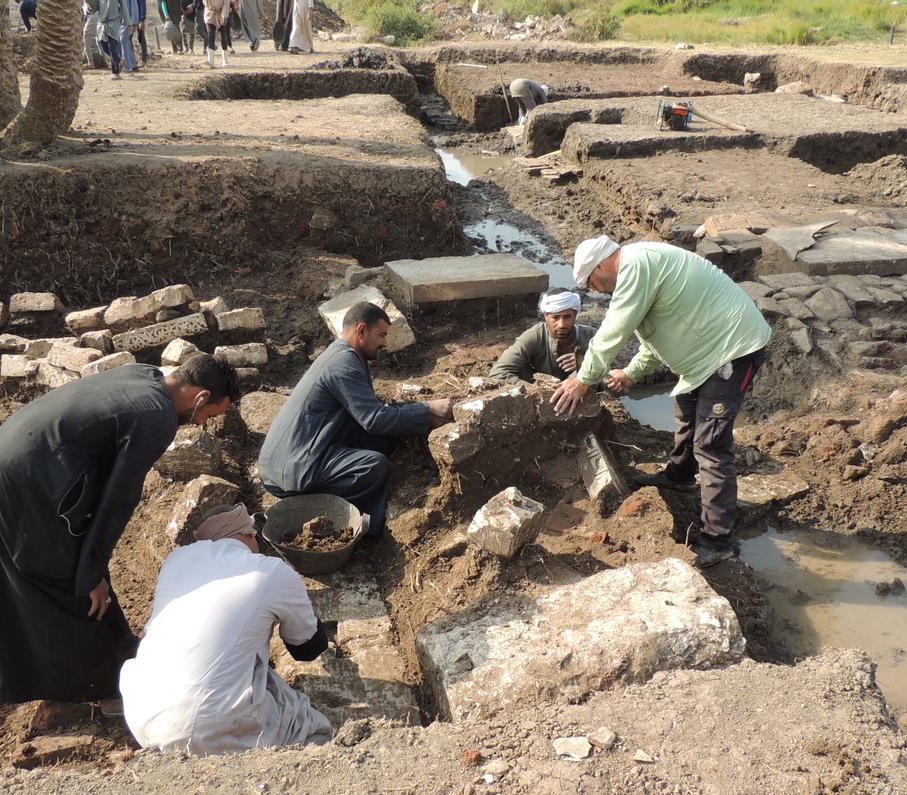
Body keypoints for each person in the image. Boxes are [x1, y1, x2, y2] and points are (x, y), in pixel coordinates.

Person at [0, 355, 240, 711]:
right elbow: (117, 501)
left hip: (5, 457)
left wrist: (94, 567)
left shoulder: (144, 376)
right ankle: (104, 688)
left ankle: (120, 646)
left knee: (76, 567)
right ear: (201, 396)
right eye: (209, 416)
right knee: (63, 578)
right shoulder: (157, 418)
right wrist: (90, 574)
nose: (201, 424)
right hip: (24, 483)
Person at [552, 236, 772, 568]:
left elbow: (614, 329)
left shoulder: (636, 265)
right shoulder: (643, 269)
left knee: (711, 445)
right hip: (704, 356)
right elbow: (654, 337)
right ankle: (680, 477)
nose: (596, 291)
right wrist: (631, 373)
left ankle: (718, 539)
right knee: (685, 411)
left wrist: (583, 378)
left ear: (600, 265)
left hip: (733, 349)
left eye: (592, 283)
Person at [119, 504, 332, 754]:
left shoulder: (175, 560)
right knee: (313, 727)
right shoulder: (271, 571)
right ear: (252, 535)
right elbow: (306, 650)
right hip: (203, 729)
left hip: (143, 720)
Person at [257, 301, 452, 537]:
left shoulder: (340, 355)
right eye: (381, 335)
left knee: (382, 441)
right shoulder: (343, 363)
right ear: (361, 330)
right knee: (374, 466)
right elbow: (374, 420)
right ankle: (359, 525)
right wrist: (426, 409)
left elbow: (369, 412)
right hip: (294, 470)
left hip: (290, 460)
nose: (384, 343)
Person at [490, 290, 596, 384]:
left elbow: (611, 371)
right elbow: (498, 372)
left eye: (567, 317)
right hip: (540, 388)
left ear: (575, 314)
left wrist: (586, 364)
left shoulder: (592, 336)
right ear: (545, 316)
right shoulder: (534, 336)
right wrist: (534, 390)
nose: (561, 324)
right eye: (555, 317)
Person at [97, 0, 132, 77]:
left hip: (114, 21)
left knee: (112, 46)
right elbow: (93, 5)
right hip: (101, 22)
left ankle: (115, 72)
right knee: (103, 45)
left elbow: (124, 7)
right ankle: (120, 60)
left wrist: (128, 23)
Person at [204, 0, 232, 66]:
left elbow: (226, 3)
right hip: (209, 13)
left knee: (224, 37)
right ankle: (210, 60)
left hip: (221, 15)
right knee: (211, 36)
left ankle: (225, 61)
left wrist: (224, 15)